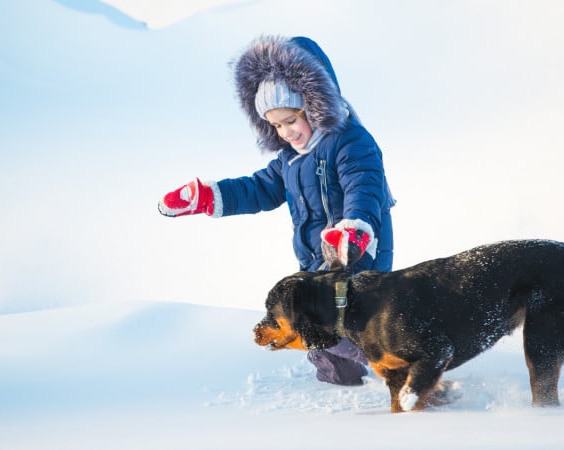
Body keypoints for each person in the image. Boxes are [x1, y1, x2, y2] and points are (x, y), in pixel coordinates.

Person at [158, 35, 395, 386]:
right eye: (276, 125)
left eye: (291, 120)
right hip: (317, 260)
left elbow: (365, 186)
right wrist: (208, 196)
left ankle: (399, 361)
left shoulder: (350, 142)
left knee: (337, 325)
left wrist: (354, 230)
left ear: (314, 106)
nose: (285, 132)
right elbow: (259, 188)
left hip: (355, 254)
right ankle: (341, 385)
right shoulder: (290, 159)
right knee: (316, 330)